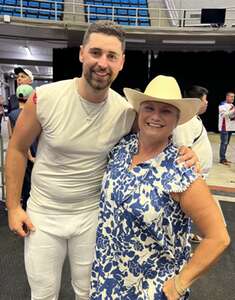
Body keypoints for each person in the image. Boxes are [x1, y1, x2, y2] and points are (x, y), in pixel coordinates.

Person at [6, 21, 197, 300]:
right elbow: (17, 149)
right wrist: (13, 207)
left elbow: (156, 135)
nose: (102, 63)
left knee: (90, 293)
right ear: (82, 53)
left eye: (111, 56)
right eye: (96, 53)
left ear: (121, 62)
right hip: (43, 216)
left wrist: (183, 151)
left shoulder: (124, 112)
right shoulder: (44, 98)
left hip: (93, 216)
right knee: (43, 294)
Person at [90, 75, 230, 299]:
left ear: (177, 120)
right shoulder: (122, 148)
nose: (155, 116)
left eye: (166, 111)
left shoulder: (181, 170)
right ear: (139, 112)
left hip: (150, 289)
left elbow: (218, 238)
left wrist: (179, 284)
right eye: (149, 108)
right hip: (107, 278)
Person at [8, 84, 36, 210]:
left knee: (24, 184)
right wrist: (30, 155)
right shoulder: (33, 113)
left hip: (21, 156)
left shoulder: (12, 115)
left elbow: (12, 138)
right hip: (34, 155)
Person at [218, 91, 235, 165]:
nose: (232, 98)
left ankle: (224, 158)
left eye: (233, 97)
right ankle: (222, 159)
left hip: (230, 127)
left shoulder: (232, 105)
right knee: (224, 143)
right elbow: (224, 115)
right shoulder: (222, 105)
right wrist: (234, 111)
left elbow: (231, 116)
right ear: (227, 97)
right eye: (231, 96)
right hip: (224, 127)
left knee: (226, 143)